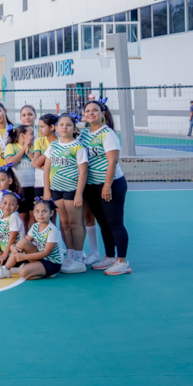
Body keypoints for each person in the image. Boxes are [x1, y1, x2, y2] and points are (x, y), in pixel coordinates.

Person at [80, 100, 130, 275]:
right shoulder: (84, 134)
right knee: (103, 222)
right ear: (84, 115)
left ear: (102, 113)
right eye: (87, 110)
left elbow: (112, 162)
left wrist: (107, 186)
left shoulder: (107, 134)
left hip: (110, 184)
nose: (91, 113)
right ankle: (109, 257)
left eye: (95, 110)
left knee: (115, 222)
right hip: (92, 185)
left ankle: (122, 261)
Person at [45, 113, 88, 274]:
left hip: (71, 190)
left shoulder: (78, 147)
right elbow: (47, 168)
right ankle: (69, 256)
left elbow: (83, 172)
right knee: (64, 223)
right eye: (61, 125)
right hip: (56, 190)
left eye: (68, 125)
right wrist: (47, 189)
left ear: (74, 128)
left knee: (75, 223)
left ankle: (78, 259)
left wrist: (78, 194)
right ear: (56, 128)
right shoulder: (53, 146)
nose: (64, 127)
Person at [0, 197, 64, 280]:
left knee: (23, 272)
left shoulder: (53, 230)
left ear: (51, 213)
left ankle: (46, 272)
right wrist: (12, 247)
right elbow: (24, 242)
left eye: (44, 211)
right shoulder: (35, 226)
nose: (40, 214)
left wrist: (24, 257)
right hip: (39, 258)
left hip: (52, 263)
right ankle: (6, 269)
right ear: (33, 213)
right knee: (23, 241)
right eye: (37, 211)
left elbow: (46, 253)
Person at [3, 124, 37, 223]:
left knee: (34, 216)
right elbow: (10, 163)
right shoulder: (11, 146)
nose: (34, 136)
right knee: (22, 217)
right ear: (22, 135)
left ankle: (32, 234)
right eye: (31, 134)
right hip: (19, 187)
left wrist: (28, 152)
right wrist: (23, 149)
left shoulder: (34, 146)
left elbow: (38, 162)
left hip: (33, 186)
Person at [30, 113, 58, 201]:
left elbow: (37, 164)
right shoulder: (39, 141)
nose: (40, 130)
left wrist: (42, 166)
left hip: (57, 181)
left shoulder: (61, 142)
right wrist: (50, 149)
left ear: (52, 127)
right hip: (40, 182)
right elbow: (37, 162)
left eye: (42, 127)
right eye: (39, 127)